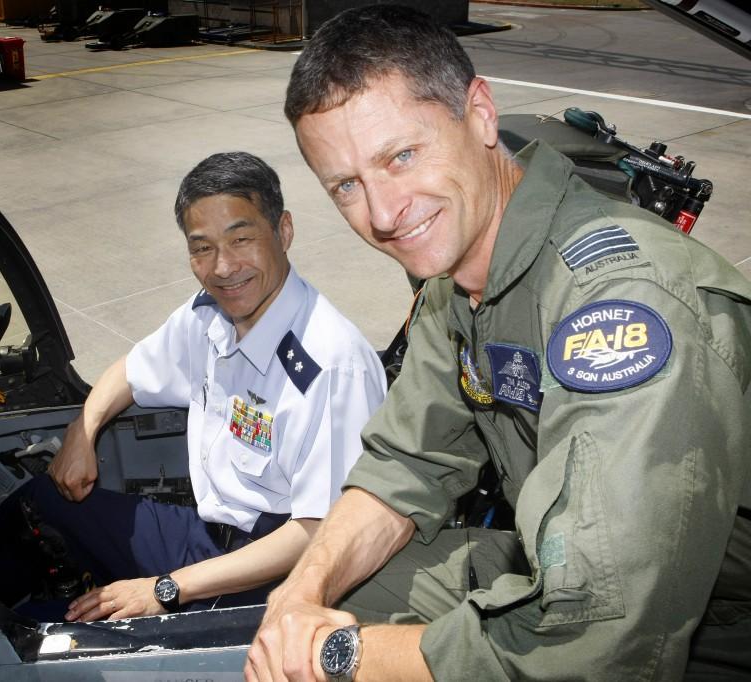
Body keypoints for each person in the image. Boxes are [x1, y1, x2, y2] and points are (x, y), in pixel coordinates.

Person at [245, 5, 751, 681]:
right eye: (346, 185)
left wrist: (335, 655)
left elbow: (600, 640)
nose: (384, 214)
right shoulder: (456, 283)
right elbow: (406, 464)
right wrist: (298, 596)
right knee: (339, 596)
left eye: (401, 155)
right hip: (563, 563)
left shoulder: (624, 305)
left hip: (715, 625)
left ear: (479, 112)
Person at [37, 151, 387, 622]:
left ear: (283, 231)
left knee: (50, 630)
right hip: (204, 536)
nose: (223, 268)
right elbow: (132, 369)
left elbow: (317, 529)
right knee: (38, 500)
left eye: (241, 239)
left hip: (273, 572)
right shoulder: (209, 314)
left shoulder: (331, 364)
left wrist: (163, 590)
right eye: (202, 248)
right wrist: (84, 430)